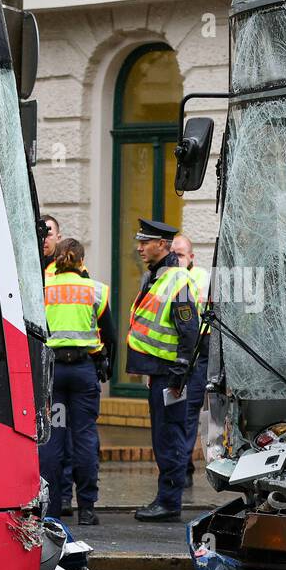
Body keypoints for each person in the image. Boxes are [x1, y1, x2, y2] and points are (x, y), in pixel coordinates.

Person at [128, 219, 201, 522]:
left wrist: (179, 374)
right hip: (160, 372)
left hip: (171, 376)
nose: (139, 247)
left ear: (163, 244)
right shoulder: (156, 277)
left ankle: (169, 502)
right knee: (163, 437)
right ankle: (166, 498)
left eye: (145, 242)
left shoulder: (176, 280)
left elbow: (189, 330)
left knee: (169, 438)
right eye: (139, 241)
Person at [40, 238, 112, 526]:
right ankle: (87, 509)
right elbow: (111, 334)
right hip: (83, 370)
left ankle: (53, 509)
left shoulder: (43, 288)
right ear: (81, 261)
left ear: (56, 260)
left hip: (53, 373)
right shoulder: (95, 289)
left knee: (52, 439)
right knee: (84, 438)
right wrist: (107, 365)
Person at [172, 234, 210, 491]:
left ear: (192, 257)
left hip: (198, 352)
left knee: (187, 413)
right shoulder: (165, 278)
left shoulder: (201, 278)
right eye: (173, 255)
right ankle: (180, 465)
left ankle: (183, 468)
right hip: (173, 354)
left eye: (182, 255)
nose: (177, 259)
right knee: (175, 412)